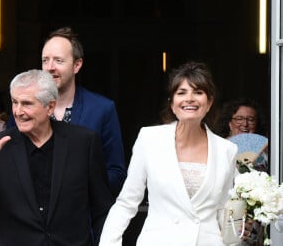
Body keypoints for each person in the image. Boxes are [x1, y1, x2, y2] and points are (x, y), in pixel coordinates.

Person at [99, 61, 239, 246]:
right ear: (172, 104)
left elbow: (225, 211)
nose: (190, 98)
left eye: (198, 92)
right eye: (181, 92)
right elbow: (127, 202)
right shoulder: (149, 139)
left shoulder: (227, 150)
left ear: (209, 102)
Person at [0, 69, 113, 245]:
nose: (18, 111)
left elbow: (102, 210)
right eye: (15, 102)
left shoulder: (84, 144)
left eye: (27, 103)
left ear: (50, 107)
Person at [7, 27, 126, 197]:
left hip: (82, 218)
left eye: (58, 61)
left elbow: (116, 174)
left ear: (77, 65)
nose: (50, 67)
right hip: (34, 216)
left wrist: (77, 185)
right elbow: (11, 165)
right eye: (45, 60)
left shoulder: (102, 109)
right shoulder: (23, 109)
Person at [215, 98, 269, 245]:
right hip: (227, 215)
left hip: (256, 217)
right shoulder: (218, 150)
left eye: (250, 119)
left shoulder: (265, 153)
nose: (244, 124)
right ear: (229, 122)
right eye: (239, 118)